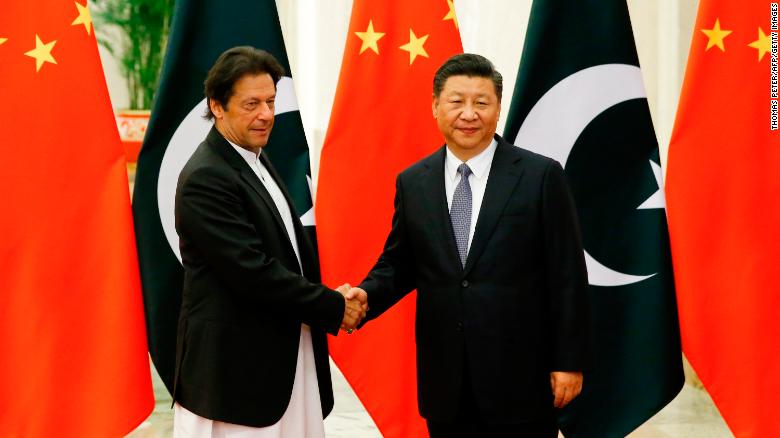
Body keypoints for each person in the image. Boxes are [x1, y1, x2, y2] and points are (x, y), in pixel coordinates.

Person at [347, 53, 590, 437]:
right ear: (435, 106)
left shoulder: (540, 176)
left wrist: (569, 361)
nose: (468, 113)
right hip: (446, 381)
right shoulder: (414, 182)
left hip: (521, 378)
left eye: (481, 102)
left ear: (497, 108)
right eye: (456, 101)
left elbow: (567, 275)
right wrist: (363, 298)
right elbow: (400, 263)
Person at [172, 46, 366, 438]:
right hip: (237, 380)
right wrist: (333, 306)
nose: (266, 114)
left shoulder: (253, 157)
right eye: (251, 104)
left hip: (285, 364)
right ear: (218, 106)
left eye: (271, 101)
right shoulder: (206, 178)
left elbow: (287, 257)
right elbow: (252, 273)